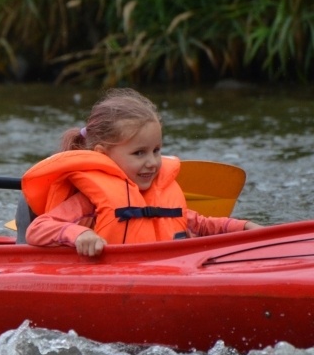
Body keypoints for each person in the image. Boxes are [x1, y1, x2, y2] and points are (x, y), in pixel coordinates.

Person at [21, 88, 261, 256]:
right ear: (103, 155)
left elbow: (201, 225)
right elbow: (38, 229)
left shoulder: (159, 194)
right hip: (112, 276)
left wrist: (243, 227)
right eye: (139, 153)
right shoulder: (88, 200)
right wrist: (79, 234)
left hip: (163, 269)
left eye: (156, 151)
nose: (152, 163)